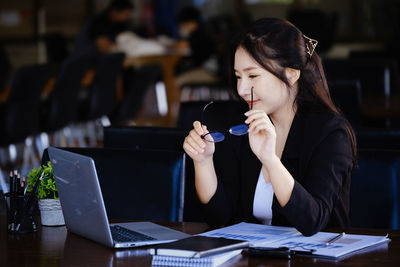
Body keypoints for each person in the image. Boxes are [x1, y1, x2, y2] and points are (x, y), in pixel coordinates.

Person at [182, 18, 356, 236]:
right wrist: (203, 161)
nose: (243, 89)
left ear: (291, 74)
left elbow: (313, 221)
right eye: (238, 77)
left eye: (253, 75)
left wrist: (270, 161)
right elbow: (220, 218)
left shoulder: (330, 132)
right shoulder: (242, 123)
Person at [174, 6, 219, 88]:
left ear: (191, 23)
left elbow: (183, 46)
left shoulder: (199, 35)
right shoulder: (202, 31)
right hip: (208, 69)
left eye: (183, 25)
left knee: (177, 81)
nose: (181, 28)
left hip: (209, 71)